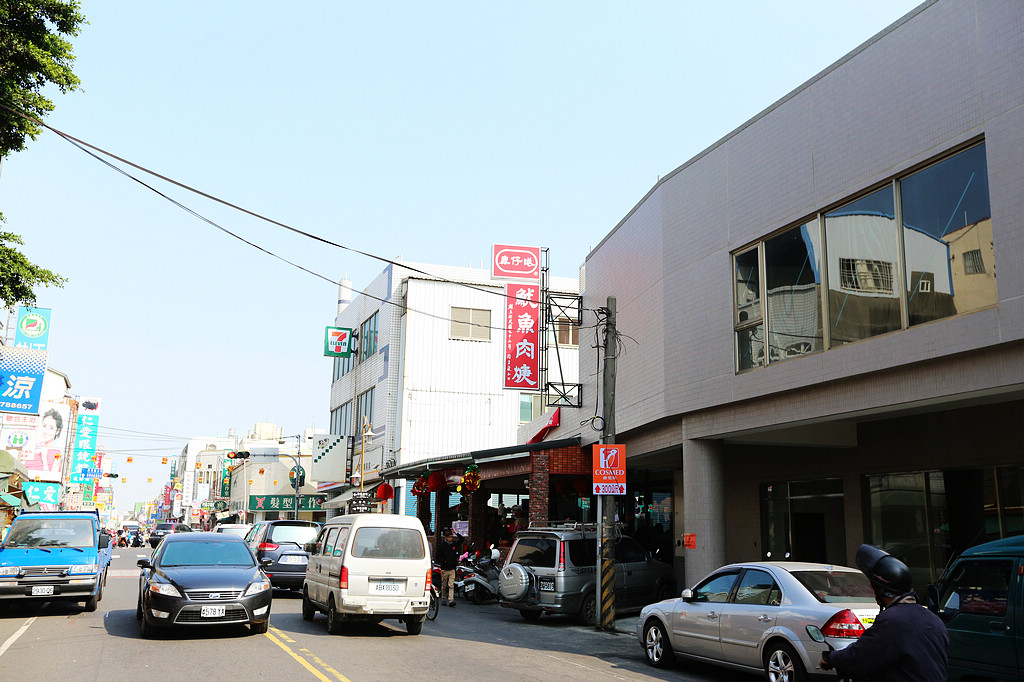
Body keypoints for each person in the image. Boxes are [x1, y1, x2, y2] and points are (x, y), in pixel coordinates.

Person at [819, 544, 948, 681]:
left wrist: (829, 658)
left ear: (881, 589)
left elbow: (860, 654)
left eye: (872, 588)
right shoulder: (933, 619)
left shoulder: (892, 620)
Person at [436, 527, 461, 607]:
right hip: (444, 569)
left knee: (451, 585)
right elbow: (437, 556)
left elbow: (462, 539)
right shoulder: (442, 545)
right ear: (446, 537)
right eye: (450, 537)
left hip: (452, 568)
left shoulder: (453, 544)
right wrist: (444, 561)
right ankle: (443, 599)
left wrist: (456, 532)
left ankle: (451, 600)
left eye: (452, 537)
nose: (451, 539)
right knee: (444, 586)